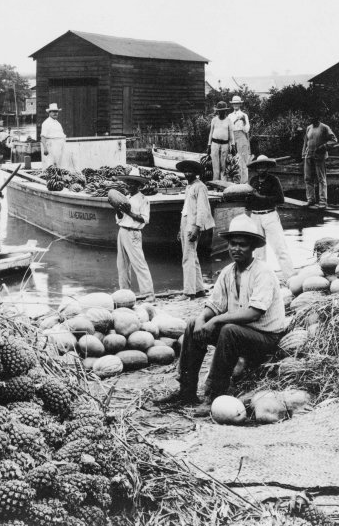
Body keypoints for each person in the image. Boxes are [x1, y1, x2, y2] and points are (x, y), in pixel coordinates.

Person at [154, 214, 288, 415]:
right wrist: (201, 319)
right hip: (241, 334)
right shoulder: (227, 272)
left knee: (228, 330)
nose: (236, 249)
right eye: (233, 244)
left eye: (242, 245)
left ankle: (213, 394)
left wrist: (215, 320)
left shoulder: (263, 272)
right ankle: (186, 390)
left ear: (253, 247)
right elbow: (214, 305)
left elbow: (253, 313)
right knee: (192, 324)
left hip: (265, 338)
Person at [246, 155, 294, 279]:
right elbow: (249, 201)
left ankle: (290, 278)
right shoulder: (253, 181)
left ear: (267, 167)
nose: (261, 169)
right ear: (256, 168)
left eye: (264, 166)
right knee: (258, 252)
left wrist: (260, 197)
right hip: (255, 216)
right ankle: (261, 278)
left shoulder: (273, 180)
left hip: (270, 215)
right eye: (259, 167)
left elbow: (280, 199)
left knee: (280, 248)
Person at [177, 159, 214, 299]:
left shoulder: (200, 187)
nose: (187, 173)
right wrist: (181, 229)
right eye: (185, 171)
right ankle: (199, 289)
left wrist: (197, 228)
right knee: (193, 256)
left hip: (193, 224)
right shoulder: (189, 187)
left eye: (190, 171)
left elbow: (202, 209)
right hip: (186, 221)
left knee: (188, 257)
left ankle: (188, 292)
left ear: (196, 173)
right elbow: (186, 209)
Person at [115, 171, 155, 299]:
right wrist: (117, 209)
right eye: (127, 183)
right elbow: (120, 218)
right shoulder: (126, 198)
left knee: (139, 263)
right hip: (122, 231)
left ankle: (148, 293)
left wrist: (130, 212)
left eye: (132, 184)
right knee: (122, 264)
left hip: (133, 233)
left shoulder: (143, 199)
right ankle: (125, 293)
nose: (128, 186)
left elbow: (144, 219)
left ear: (138, 186)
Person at [302, 111, 337, 209]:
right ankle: (310, 200)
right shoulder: (309, 128)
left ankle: (323, 202)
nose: (311, 118)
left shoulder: (324, 128)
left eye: (313, 116)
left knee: (321, 179)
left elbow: (334, 140)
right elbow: (306, 142)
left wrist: (324, 146)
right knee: (308, 178)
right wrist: (303, 154)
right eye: (310, 116)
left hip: (319, 157)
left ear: (318, 117)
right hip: (309, 156)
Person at [207, 101, 236, 181]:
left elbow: (231, 134)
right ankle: (215, 184)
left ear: (225, 111)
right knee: (215, 166)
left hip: (225, 145)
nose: (221, 112)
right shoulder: (214, 120)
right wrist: (209, 145)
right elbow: (211, 133)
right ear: (218, 111)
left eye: (223, 111)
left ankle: (223, 184)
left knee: (223, 166)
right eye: (220, 111)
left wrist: (233, 146)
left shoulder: (228, 121)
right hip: (215, 144)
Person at [41, 103, 73, 171]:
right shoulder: (46, 123)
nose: (55, 113)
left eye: (56, 112)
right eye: (53, 112)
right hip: (52, 145)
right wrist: (45, 148)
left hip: (61, 145)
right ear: (49, 112)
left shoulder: (57, 123)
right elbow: (43, 137)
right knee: (51, 164)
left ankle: (60, 177)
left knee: (61, 164)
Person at [229, 95, 251, 183]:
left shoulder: (244, 115)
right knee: (233, 159)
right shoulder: (229, 116)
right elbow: (229, 128)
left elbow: (247, 129)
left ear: (240, 104)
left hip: (241, 136)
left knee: (243, 159)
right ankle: (235, 181)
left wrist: (244, 121)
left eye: (237, 103)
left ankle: (244, 182)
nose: (236, 105)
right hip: (232, 137)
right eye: (234, 104)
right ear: (232, 105)